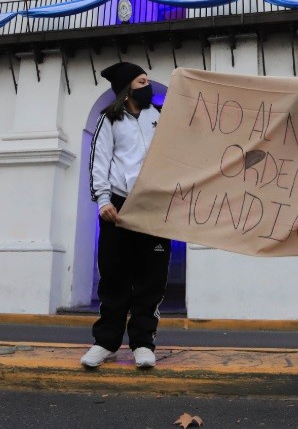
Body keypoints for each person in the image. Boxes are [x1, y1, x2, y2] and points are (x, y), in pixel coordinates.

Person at [80, 62, 172, 370]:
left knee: (151, 277)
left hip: (153, 205)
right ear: (126, 88)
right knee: (115, 274)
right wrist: (103, 200)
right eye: (141, 81)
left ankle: (143, 343)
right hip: (119, 206)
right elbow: (99, 161)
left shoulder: (157, 117)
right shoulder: (109, 119)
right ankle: (106, 342)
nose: (147, 86)